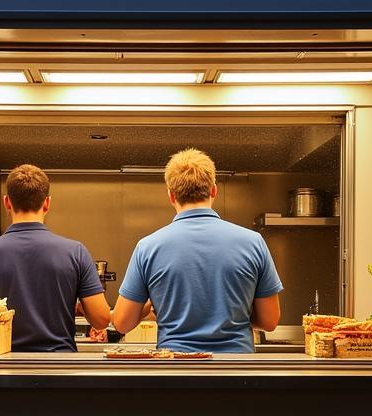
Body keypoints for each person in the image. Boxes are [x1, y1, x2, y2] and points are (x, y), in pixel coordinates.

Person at [112, 148, 282, 353]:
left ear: (171, 195)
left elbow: (121, 323)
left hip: (176, 371)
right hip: (238, 372)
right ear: (213, 191)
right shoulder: (253, 242)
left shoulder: (148, 247)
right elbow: (270, 321)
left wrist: (151, 307)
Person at [0, 163, 111, 351]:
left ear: (7, 202)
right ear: (47, 203)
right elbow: (101, 320)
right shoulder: (75, 252)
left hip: (2, 369)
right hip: (60, 369)